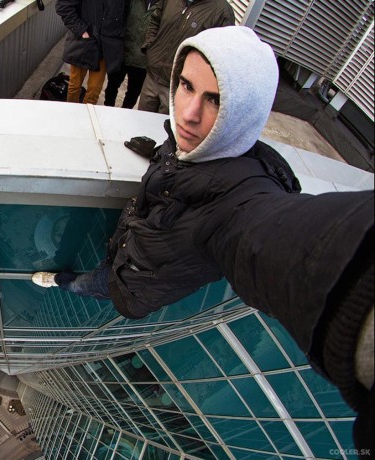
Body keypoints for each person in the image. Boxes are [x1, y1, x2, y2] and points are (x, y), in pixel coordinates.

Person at [32, 26, 373, 450]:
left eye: (215, 100)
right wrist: (160, 152)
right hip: (126, 252)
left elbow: (287, 243)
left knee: (86, 285)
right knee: (98, 274)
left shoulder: (240, 204)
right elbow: (184, 152)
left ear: (244, 114)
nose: (189, 113)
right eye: (186, 86)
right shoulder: (189, 142)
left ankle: (61, 281)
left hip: (131, 290)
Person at [137, 0, 234, 114]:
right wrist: (151, 48)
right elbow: (155, 20)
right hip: (152, 76)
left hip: (180, 87)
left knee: (164, 128)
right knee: (140, 121)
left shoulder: (222, 12)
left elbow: (219, 53)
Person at [56, 0, 128, 105]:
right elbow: (63, 6)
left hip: (106, 45)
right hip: (83, 42)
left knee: (94, 90)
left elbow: (124, 14)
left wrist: (116, 35)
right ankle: (71, 113)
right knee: (75, 85)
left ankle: (88, 116)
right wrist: (81, 31)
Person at [104, 0, 157, 108]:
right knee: (112, 86)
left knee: (133, 93)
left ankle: (124, 115)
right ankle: (108, 111)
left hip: (142, 59)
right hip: (122, 52)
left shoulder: (163, 4)